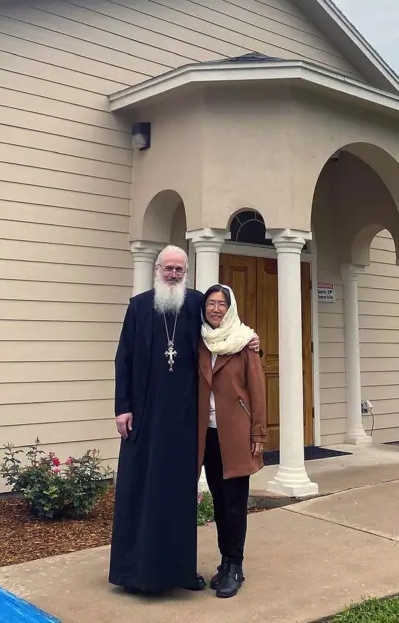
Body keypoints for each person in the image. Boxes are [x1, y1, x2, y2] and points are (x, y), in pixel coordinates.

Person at [109, 246, 259, 595]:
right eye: (168, 268)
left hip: (185, 421)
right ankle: (137, 570)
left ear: (187, 271)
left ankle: (179, 571)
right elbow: (124, 360)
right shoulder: (139, 306)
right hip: (145, 418)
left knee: (178, 494)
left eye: (179, 269)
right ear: (157, 269)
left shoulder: (196, 304)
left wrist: (251, 340)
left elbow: (225, 333)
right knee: (144, 491)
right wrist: (122, 407)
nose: (173, 274)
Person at [198, 283, 266, 599]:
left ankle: (235, 565)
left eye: (221, 304)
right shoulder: (200, 342)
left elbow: (258, 392)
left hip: (236, 437)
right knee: (219, 503)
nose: (215, 309)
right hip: (208, 437)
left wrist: (258, 434)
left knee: (235, 504)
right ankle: (224, 561)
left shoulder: (244, 343)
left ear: (230, 307)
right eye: (210, 303)